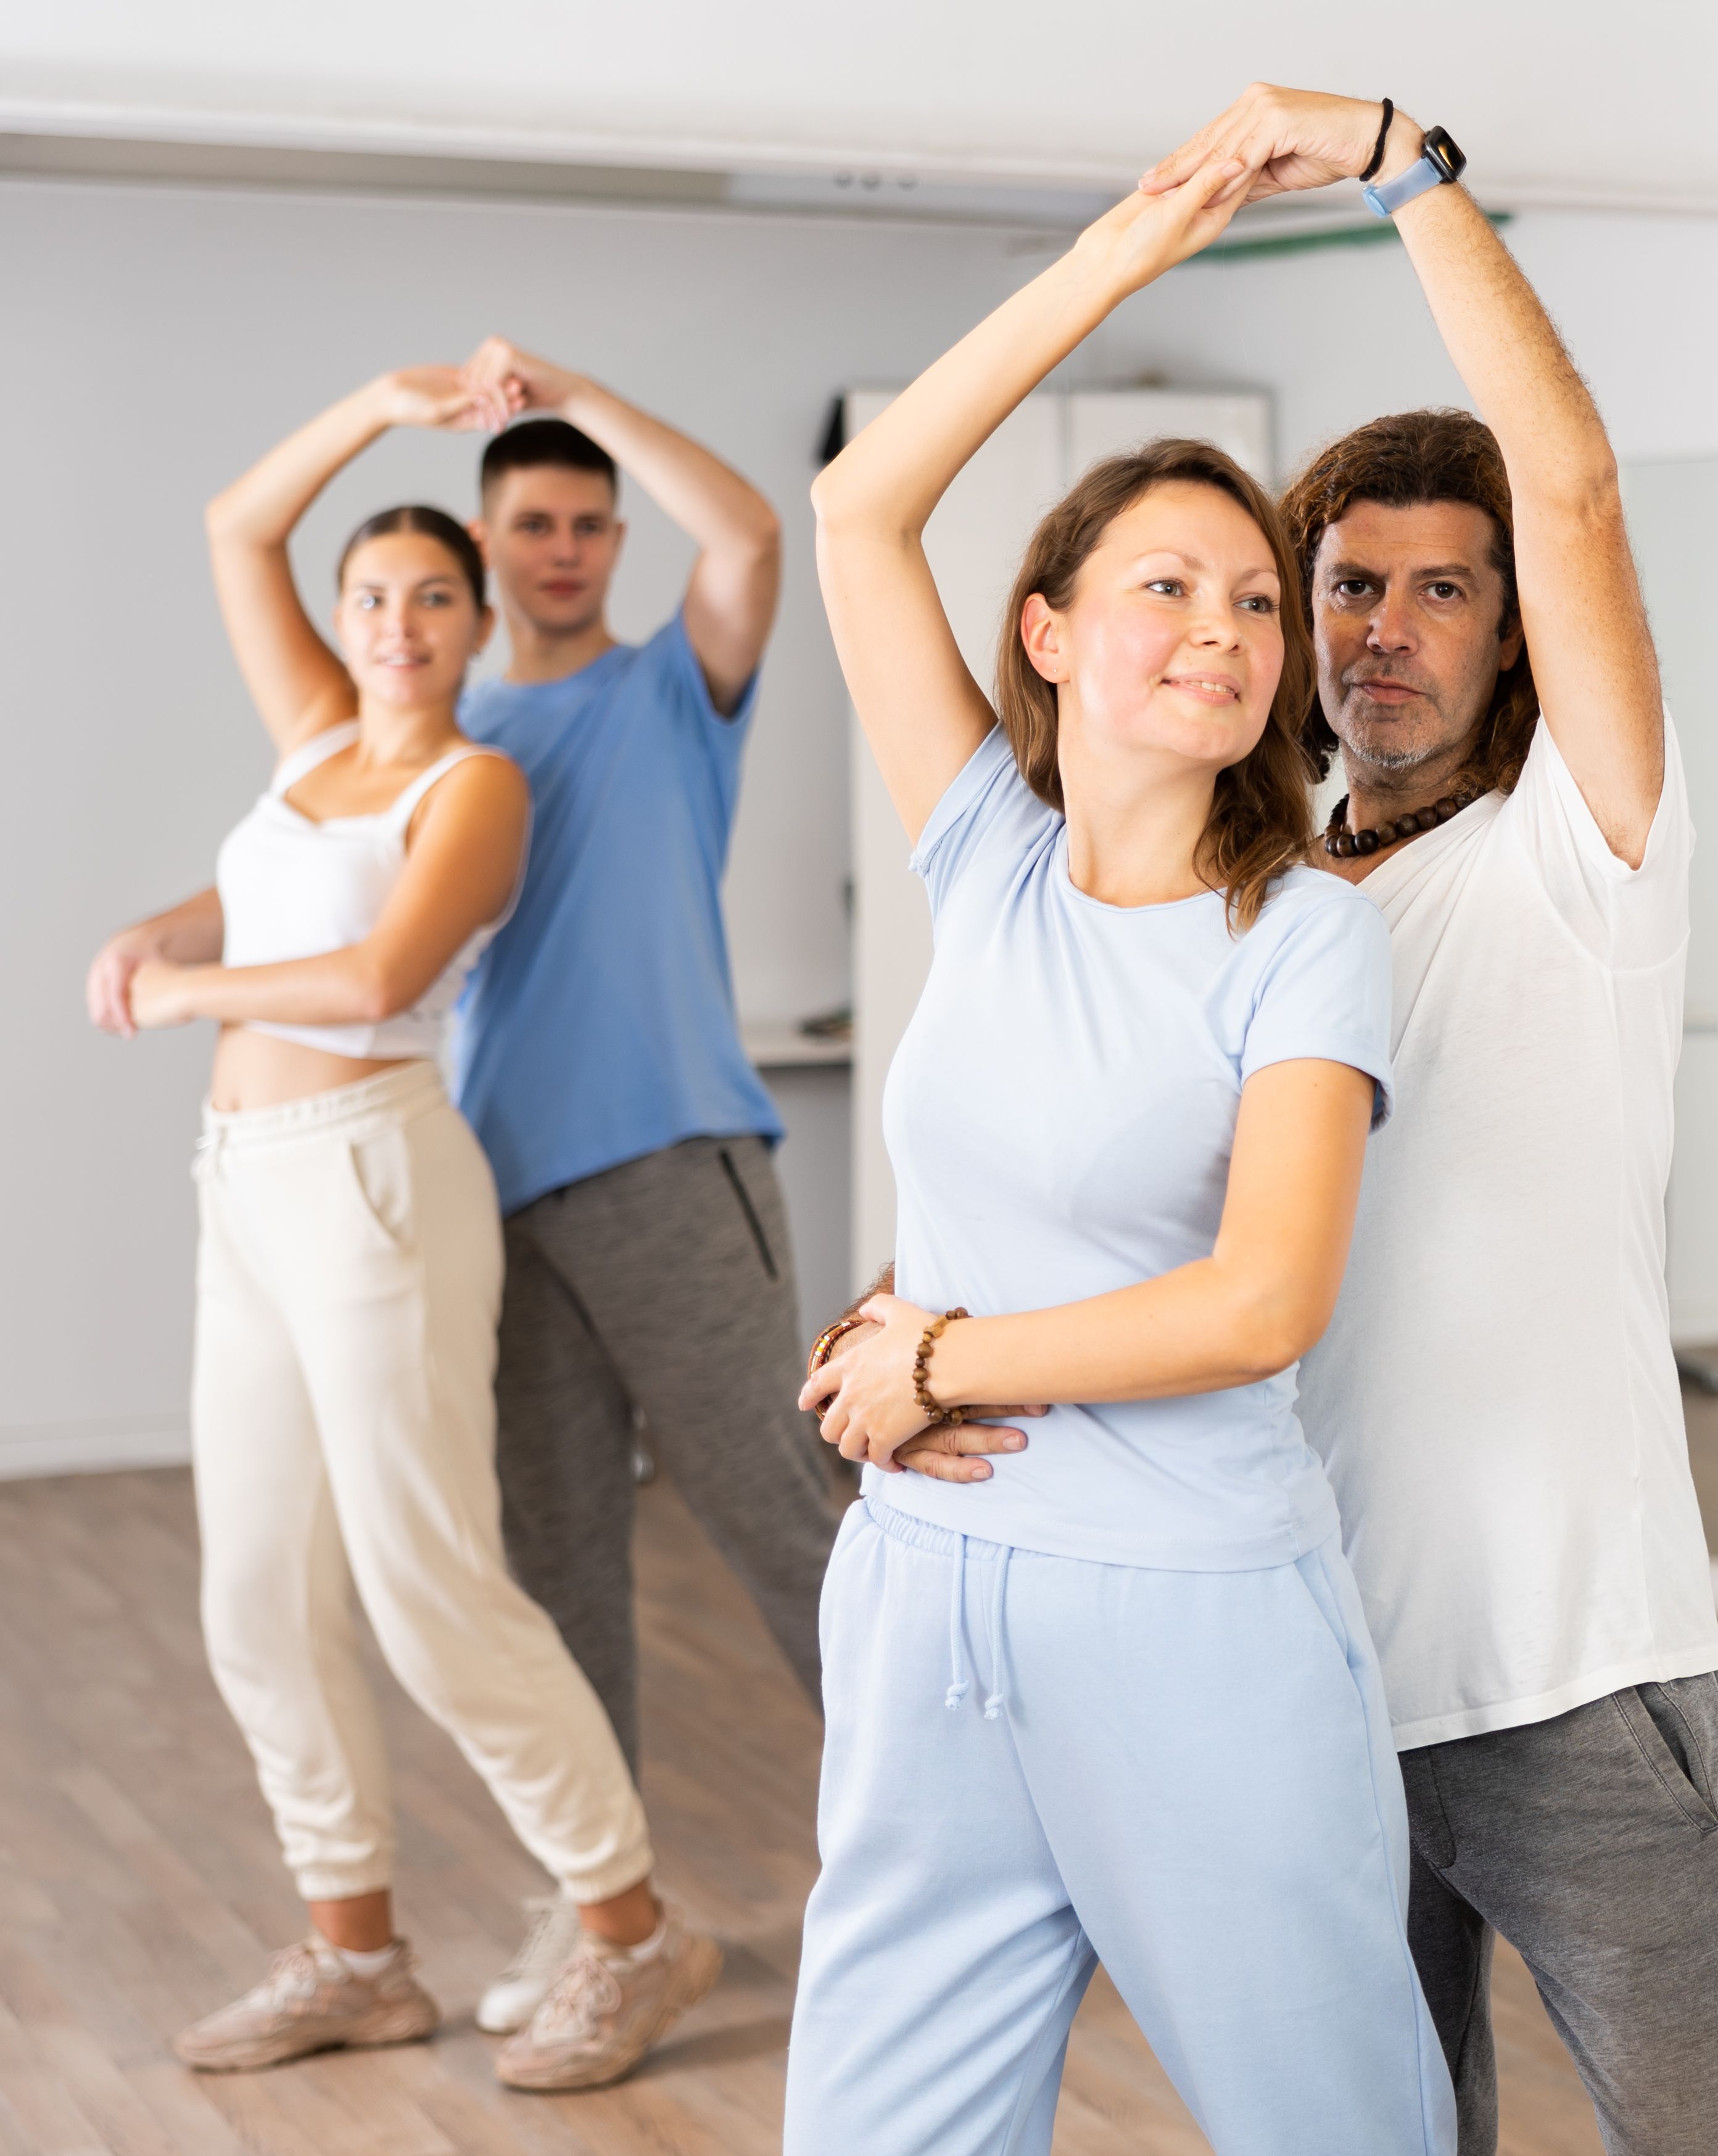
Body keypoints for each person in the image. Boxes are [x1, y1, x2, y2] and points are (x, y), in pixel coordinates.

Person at [1138, 85, 1718, 2155]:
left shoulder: (1576, 855)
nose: (1385, 630)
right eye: (1348, 584)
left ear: (1512, 634)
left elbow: (1578, 492)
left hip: (1567, 1674)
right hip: (1316, 1671)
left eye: (1443, 591)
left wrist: (1415, 175)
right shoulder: (1257, 912)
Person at [782, 139, 1445, 2154]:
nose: (1229, 628)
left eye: (1257, 600)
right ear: (1050, 633)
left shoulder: (1305, 934)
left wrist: (934, 1359)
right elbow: (858, 506)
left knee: (1332, 2122)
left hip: (1190, 1613)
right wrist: (1135, 241)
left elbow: (1263, 1301)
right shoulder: (990, 859)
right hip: (924, 1587)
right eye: (1167, 585)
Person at [84, 369, 716, 2092]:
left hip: (377, 1177)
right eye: (372, 593)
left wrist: (183, 983)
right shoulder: (312, 746)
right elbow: (238, 524)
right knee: (257, 1599)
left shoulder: (476, 786)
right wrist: (376, 403)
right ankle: (351, 1952)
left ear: (475, 616)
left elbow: (377, 974)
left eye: (435, 595)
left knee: (429, 1588)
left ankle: (626, 1929)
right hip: (245, 1187)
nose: (396, 621)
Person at [444, 344, 851, 2026]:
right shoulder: (444, 727)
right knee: (557, 1570)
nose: (563, 548)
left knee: (787, 1531)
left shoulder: (668, 688)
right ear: (483, 542)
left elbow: (750, 534)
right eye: (533, 521)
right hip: (500, 1199)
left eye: (590, 524)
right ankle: (595, 1913)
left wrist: (584, 395)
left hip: (674, 1165)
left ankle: (1000, 1857)